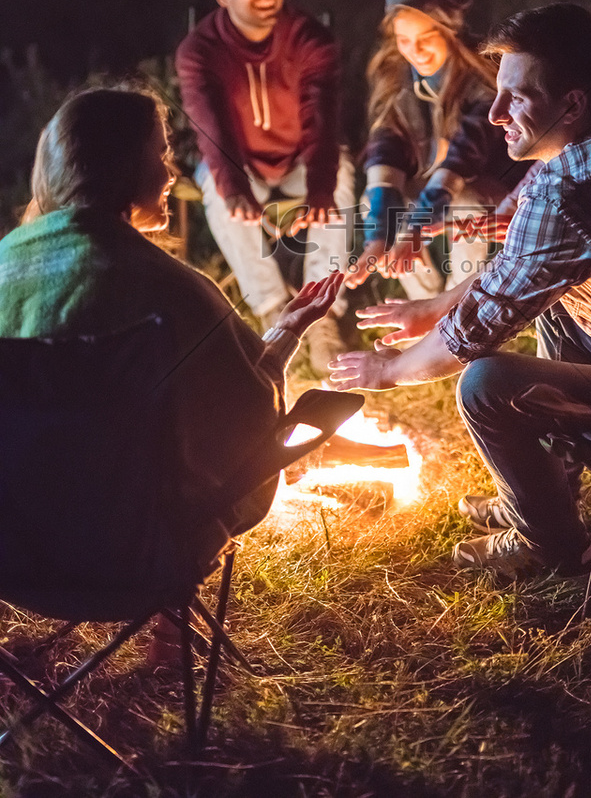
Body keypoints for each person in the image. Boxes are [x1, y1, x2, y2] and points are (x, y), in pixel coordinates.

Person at [330, 4, 591, 582]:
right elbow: (522, 268)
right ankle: (546, 490)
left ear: (572, 104)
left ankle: (552, 544)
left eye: (517, 98)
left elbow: (469, 338)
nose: (496, 114)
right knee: (560, 306)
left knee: (487, 385)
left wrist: (387, 370)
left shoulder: (564, 195)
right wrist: (434, 305)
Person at [0, 86, 344, 664]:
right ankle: (170, 631)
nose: (170, 171)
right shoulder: (167, 290)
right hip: (133, 553)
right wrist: (285, 335)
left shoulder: (7, 266)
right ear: (122, 166)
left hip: (13, 552)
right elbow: (244, 422)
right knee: (177, 462)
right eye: (159, 155)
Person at [175, 0, 355, 374]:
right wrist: (234, 186)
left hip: (297, 159)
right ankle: (274, 312)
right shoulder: (199, 50)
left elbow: (321, 118)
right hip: (242, 164)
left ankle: (321, 313)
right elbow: (209, 126)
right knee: (219, 194)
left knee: (341, 181)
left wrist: (319, 187)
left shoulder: (310, 37)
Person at [347, 0, 525, 299]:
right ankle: (424, 307)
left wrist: (415, 232)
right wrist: (377, 240)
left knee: (465, 204)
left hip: (488, 192)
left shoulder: (482, 81)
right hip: (434, 187)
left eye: (426, 40)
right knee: (379, 203)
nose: (415, 52)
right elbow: (386, 157)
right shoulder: (396, 77)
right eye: (404, 41)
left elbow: (459, 163)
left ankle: (460, 305)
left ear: (449, 33)